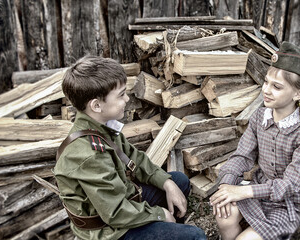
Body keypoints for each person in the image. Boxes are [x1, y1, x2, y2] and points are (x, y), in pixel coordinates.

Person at [54, 56, 206, 240]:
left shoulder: (103, 126)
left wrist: (167, 183)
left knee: (178, 182)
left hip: (123, 200)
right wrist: (159, 214)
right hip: (109, 229)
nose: (127, 99)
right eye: (120, 95)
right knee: (195, 237)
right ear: (96, 105)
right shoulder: (89, 154)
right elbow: (115, 212)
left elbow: (135, 159)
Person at [209, 42, 300, 240]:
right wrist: (227, 187)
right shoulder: (260, 117)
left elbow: (290, 185)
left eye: (276, 87)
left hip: (288, 204)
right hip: (260, 189)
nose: (266, 90)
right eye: (266, 82)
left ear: (298, 93)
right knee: (223, 214)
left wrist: (242, 192)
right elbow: (242, 156)